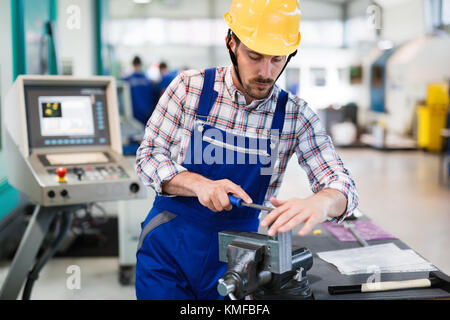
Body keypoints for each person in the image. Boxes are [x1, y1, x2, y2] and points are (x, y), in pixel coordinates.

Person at [135, 0, 359, 300]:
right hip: (168, 252)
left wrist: (321, 202)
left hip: (237, 260)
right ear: (231, 44)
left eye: (277, 59)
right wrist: (199, 185)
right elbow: (148, 156)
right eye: (255, 56)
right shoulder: (190, 88)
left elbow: (342, 184)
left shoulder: (295, 115)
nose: (266, 72)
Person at [122, 56, 158, 125]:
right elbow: (154, 97)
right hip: (146, 113)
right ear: (140, 64)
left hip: (133, 113)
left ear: (133, 64)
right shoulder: (148, 81)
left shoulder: (127, 80)